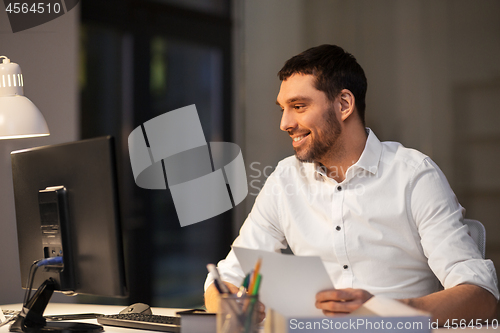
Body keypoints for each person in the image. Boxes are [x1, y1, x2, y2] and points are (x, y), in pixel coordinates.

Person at [204, 44, 499, 322]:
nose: (285, 122)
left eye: (298, 106)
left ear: (344, 104)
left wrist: (384, 311)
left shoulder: (414, 175)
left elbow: (481, 295)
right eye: (283, 108)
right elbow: (226, 277)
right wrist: (232, 304)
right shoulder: (285, 179)